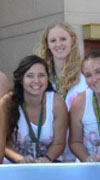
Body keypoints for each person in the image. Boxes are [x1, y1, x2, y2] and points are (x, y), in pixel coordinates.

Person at [3, 55, 68, 163]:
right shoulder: (7, 103)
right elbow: (2, 144)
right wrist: (20, 160)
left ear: (47, 78)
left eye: (41, 75)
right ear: (21, 79)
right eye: (30, 76)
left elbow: (59, 143)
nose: (36, 81)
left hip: (47, 165)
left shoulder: (57, 103)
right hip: (15, 165)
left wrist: (47, 158)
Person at [37, 22, 87, 162]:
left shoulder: (85, 78)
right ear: (47, 44)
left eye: (63, 39)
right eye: (53, 40)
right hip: (49, 157)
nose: (58, 44)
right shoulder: (40, 80)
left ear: (73, 40)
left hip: (79, 157)